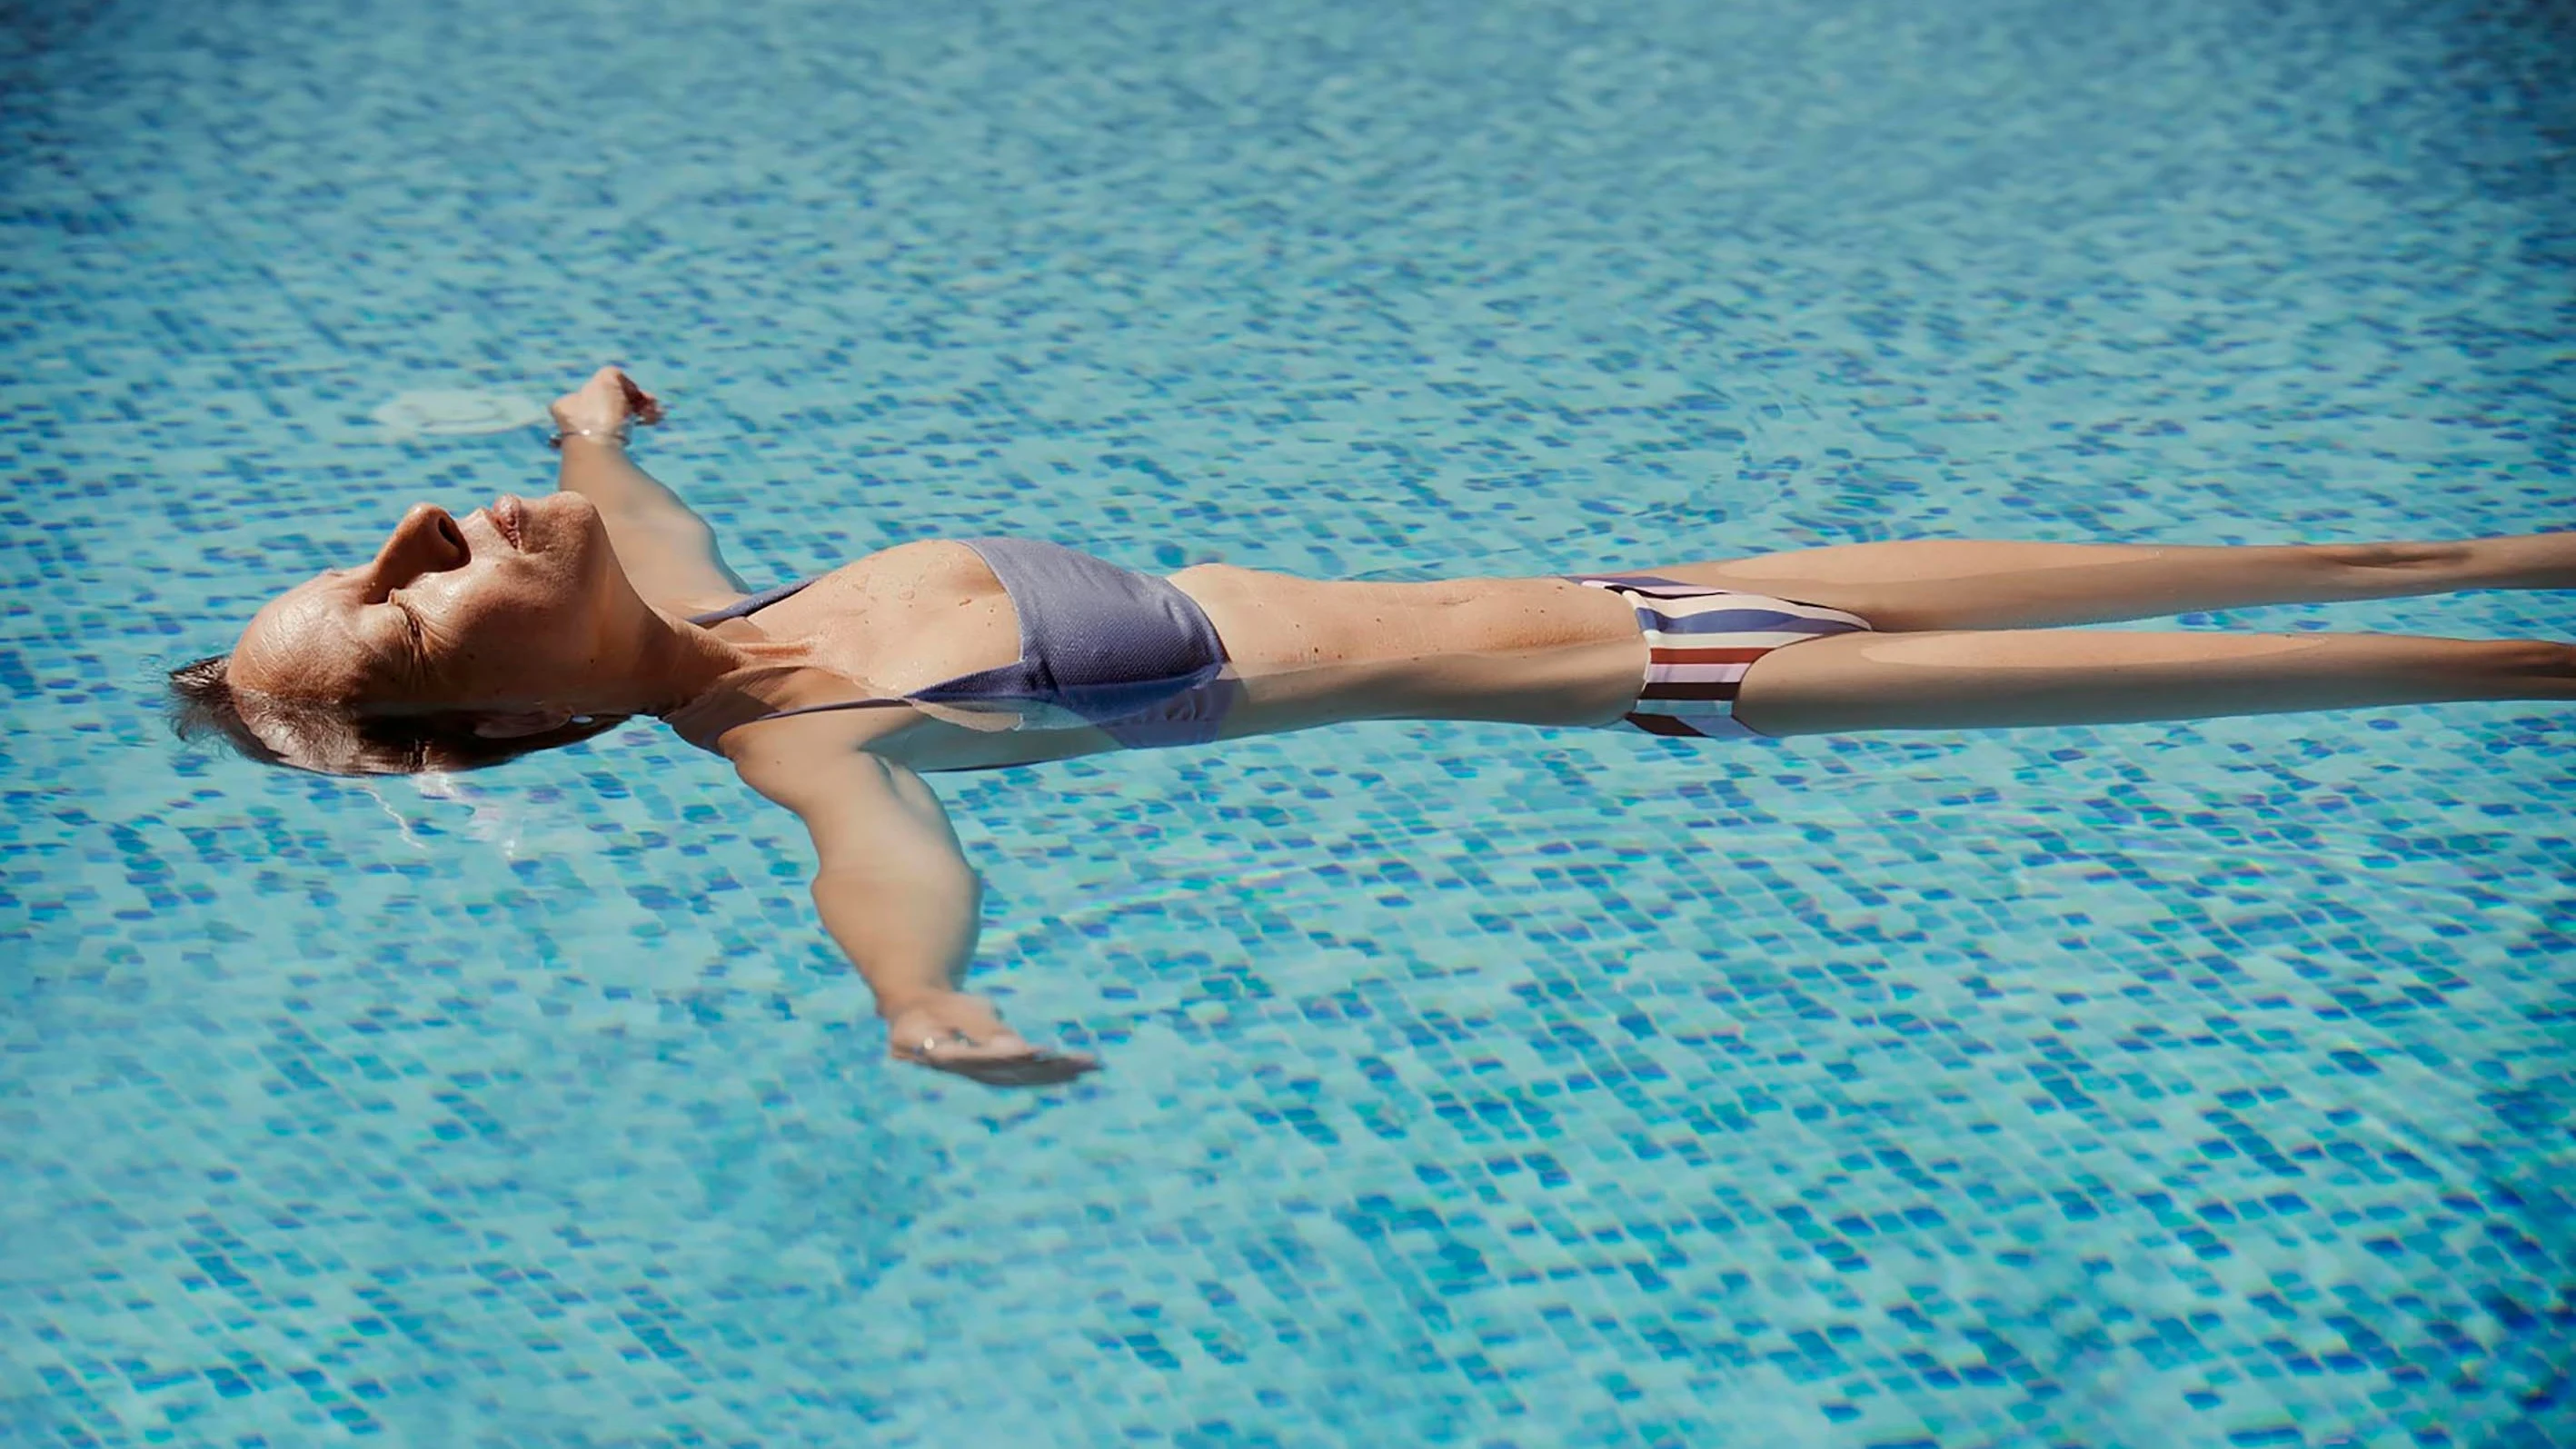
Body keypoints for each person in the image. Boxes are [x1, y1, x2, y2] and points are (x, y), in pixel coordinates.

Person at [171, 368, 2576, 1086]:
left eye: (387, 544)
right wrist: (924, 1003)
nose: (416, 526)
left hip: (1663, 576)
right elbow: (880, 875)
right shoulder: (798, 743)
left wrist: (592, 433)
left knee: (2425, 573)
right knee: (2432, 668)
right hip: (1694, 675)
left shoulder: (726, 608)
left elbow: (630, 503)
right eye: (400, 607)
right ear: (491, 724)